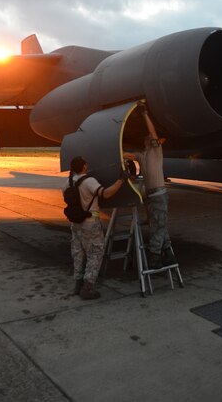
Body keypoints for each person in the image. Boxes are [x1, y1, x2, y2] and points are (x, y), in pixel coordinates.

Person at [66, 156, 127, 300]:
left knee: (78, 253)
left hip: (75, 224)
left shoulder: (68, 183)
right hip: (90, 222)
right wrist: (121, 179)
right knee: (95, 253)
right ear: (85, 166)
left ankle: (77, 284)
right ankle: (88, 287)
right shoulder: (89, 181)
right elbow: (106, 194)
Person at [123, 104, 176, 269]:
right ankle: (168, 254)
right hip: (150, 196)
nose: (150, 138)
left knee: (158, 225)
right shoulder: (141, 155)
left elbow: (153, 134)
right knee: (159, 225)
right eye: (147, 138)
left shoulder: (156, 150)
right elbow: (126, 154)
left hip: (159, 194)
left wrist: (145, 114)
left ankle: (154, 256)